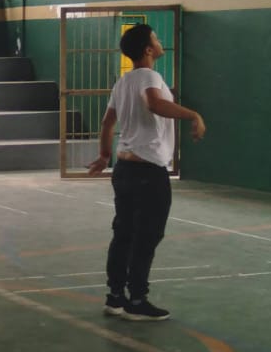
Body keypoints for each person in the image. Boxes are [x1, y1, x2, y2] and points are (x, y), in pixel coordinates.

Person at [87, 23, 205, 322]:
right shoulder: (150, 76)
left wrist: (104, 155)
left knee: (123, 233)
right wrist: (193, 115)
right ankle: (137, 300)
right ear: (148, 49)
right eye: (155, 38)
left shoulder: (122, 82)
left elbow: (106, 123)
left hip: (124, 168)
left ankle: (115, 297)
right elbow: (154, 104)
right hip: (147, 171)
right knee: (147, 235)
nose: (159, 41)